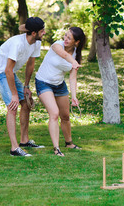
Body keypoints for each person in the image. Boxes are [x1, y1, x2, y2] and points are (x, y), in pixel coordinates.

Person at [0, 17, 46, 157]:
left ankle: (24, 141)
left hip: (10, 72)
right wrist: (14, 94)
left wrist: (26, 86)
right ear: (33, 33)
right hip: (0, 72)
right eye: (42, 30)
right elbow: (7, 70)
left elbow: (30, 64)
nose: (44, 32)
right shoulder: (17, 44)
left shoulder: (36, 43)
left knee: (25, 104)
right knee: (12, 106)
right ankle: (14, 149)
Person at [35, 27, 86, 156]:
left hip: (59, 85)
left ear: (77, 42)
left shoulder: (76, 55)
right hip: (43, 82)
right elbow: (63, 54)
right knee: (54, 113)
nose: (66, 39)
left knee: (65, 116)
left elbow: (72, 78)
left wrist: (74, 96)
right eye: (65, 35)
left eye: (69, 38)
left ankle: (69, 143)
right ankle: (56, 148)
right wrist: (73, 62)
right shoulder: (57, 45)